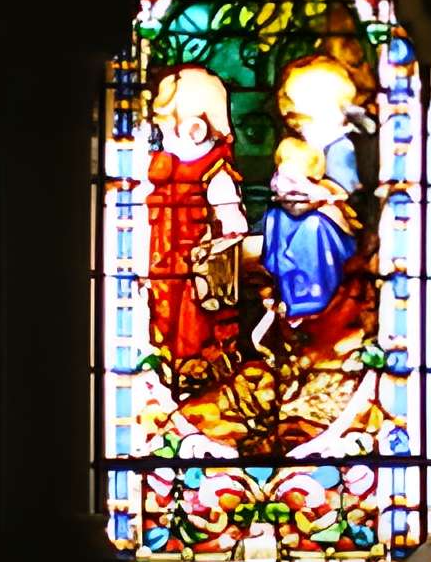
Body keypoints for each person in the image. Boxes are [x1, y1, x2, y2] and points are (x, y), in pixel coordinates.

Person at [144, 64, 248, 381]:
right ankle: (171, 363)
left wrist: (216, 246)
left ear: (195, 131)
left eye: (165, 132)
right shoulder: (165, 169)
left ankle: (198, 369)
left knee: (195, 322)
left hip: (196, 269)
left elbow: (233, 223)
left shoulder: (216, 173)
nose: (161, 141)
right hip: (164, 265)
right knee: (164, 316)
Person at [259, 56, 370, 351]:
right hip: (304, 211)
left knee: (311, 228)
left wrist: (313, 191)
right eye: (298, 119)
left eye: (308, 118)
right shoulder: (305, 146)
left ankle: (313, 296)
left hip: (334, 220)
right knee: (276, 218)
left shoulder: (342, 148)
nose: (301, 127)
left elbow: (344, 192)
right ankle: (288, 289)